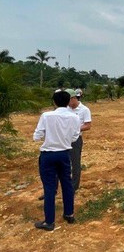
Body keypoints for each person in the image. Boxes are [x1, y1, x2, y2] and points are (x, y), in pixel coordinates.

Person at [33, 90, 80, 231]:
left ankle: (49, 221)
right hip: (64, 154)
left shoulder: (46, 116)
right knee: (67, 184)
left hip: (48, 155)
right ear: (68, 101)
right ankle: (69, 214)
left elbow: (37, 136)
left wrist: (49, 136)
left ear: (54, 101)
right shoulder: (74, 117)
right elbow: (75, 137)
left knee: (49, 187)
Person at [66, 88, 92, 192]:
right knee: (61, 163)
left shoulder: (84, 110)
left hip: (75, 139)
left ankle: (74, 187)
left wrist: (75, 128)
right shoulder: (65, 109)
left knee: (75, 164)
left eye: (67, 100)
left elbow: (88, 125)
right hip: (63, 139)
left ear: (73, 98)